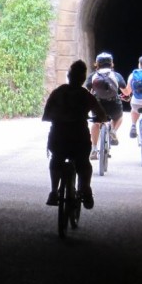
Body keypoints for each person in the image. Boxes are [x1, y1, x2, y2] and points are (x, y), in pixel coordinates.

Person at [42, 60, 108, 209]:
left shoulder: (58, 92)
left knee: (56, 159)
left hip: (58, 137)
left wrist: (60, 118)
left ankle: (53, 192)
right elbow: (102, 115)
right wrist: (99, 118)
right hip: (79, 138)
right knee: (83, 163)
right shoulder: (85, 95)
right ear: (83, 79)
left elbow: (46, 116)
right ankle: (85, 190)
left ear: (68, 76)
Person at [85, 52, 126, 158]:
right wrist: (127, 96)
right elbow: (125, 91)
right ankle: (113, 130)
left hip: (98, 105)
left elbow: (87, 91)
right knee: (119, 117)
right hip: (113, 105)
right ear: (111, 64)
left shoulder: (93, 76)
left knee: (96, 123)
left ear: (97, 64)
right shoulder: (116, 75)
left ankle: (94, 149)